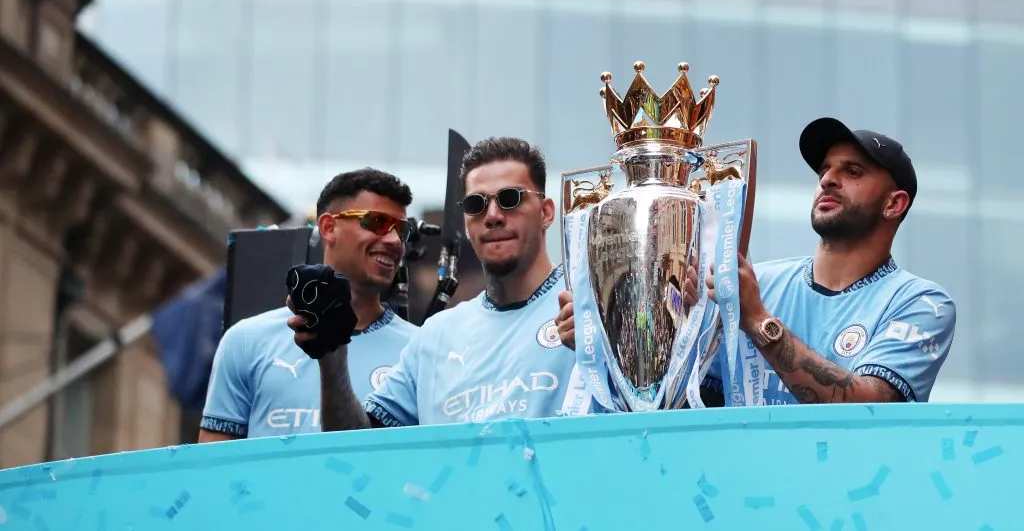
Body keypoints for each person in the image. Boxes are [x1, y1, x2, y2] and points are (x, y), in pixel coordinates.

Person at [556, 117, 957, 406]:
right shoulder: (753, 281)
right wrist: (616, 342)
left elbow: (872, 407)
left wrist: (757, 320)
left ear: (894, 203)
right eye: (824, 171)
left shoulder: (921, 304)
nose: (828, 180)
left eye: (852, 171)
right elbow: (683, 402)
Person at [288, 136, 593, 429]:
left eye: (510, 198)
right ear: (466, 223)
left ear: (547, 212)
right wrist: (332, 359)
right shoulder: (435, 336)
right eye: (476, 204)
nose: (493, 215)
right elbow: (359, 447)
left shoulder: (589, 307)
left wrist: (601, 356)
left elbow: (638, 415)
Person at [198, 168, 419, 441]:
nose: (394, 241)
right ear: (328, 227)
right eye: (377, 223)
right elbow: (214, 467)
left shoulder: (420, 349)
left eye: (401, 230)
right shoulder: (246, 340)